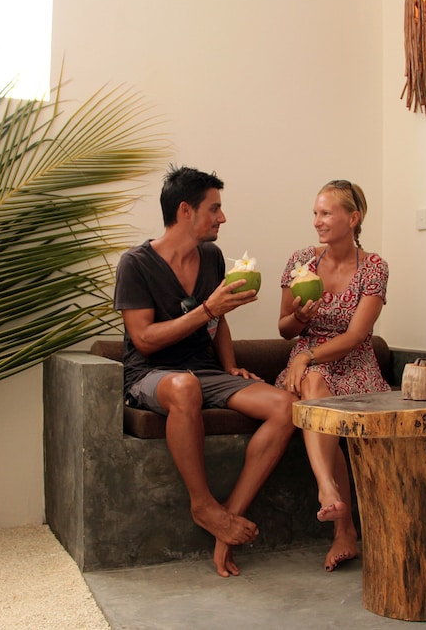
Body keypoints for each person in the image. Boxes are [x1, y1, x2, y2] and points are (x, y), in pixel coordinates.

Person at [114, 165, 297, 578]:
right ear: (185, 211)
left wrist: (229, 365)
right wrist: (207, 309)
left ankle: (226, 519)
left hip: (206, 372)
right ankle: (202, 504)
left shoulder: (212, 257)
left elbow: (219, 321)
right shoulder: (135, 264)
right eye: (214, 208)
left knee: (287, 407)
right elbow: (143, 339)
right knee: (184, 387)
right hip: (152, 374)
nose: (222, 218)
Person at [275, 179, 391, 572]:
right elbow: (284, 329)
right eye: (315, 213)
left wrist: (307, 356)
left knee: (315, 387)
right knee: (314, 384)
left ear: (353, 218)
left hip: (354, 362)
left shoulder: (374, 267)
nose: (317, 221)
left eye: (326, 213)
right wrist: (299, 318)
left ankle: (338, 514)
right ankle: (333, 502)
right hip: (308, 365)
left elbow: (357, 335)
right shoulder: (301, 262)